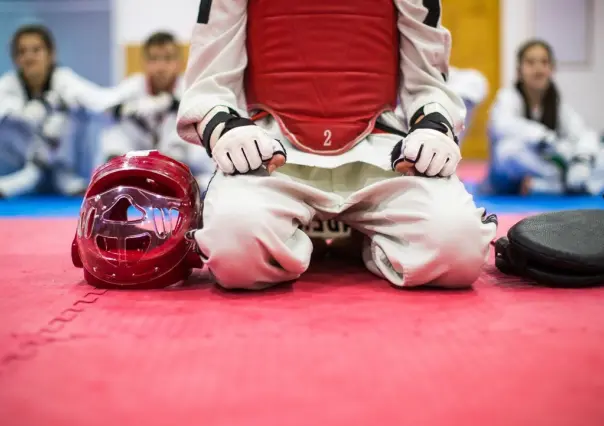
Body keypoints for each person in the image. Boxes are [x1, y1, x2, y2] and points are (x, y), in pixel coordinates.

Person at [173, 0, 497, 290]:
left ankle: (360, 241)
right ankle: (310, 236)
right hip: (273, 154)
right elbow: (209, 84)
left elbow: (429, 83)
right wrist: (225, 128)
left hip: (379, 153)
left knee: (460, 247)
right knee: (234, 250)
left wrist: (433, 125)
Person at [0, 24, 120, 197]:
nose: (29, 57)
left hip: (63, 164)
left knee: (75, 113)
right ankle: (22, 178)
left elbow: (99, 100)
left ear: (50, 54)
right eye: (22, 51)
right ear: (15, 58)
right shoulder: (8, 85)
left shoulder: (64, 79)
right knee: (8, 121)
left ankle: (65, 178)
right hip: (21, 165)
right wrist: (22, 114)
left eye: (36, 50)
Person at [483, 39, 603, 195]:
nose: (538, 69)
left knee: (598, 154)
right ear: (519, 70)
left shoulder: (557, 104)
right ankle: (559, 185)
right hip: (509, 178)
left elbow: (582, 133)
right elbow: (501, 125)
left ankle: (557, 184)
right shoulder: (508, 98)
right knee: (508, 150)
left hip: (547, 169)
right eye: (531, 63)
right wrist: (544, 138)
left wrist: (581, 160)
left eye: (544, 62)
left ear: (552, 69)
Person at [98, 32, 214, 190]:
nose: (161, 67)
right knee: (114, 132)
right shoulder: (132, 87)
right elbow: (100, 106)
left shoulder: (190, 88)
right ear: (144, 63)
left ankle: (188, 184)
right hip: (139, 160)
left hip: (181, 161)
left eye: (167, 59)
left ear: (179, 62)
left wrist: (173, 103)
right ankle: (116, 177)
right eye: (154, 59)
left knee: (200, 136)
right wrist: (128, 109)